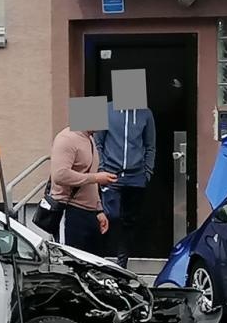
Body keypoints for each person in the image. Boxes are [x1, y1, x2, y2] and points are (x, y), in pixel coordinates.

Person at [99, 102, 156, 264]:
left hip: (136, 177)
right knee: (111, 216)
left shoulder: (145, 113)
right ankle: (103, 260)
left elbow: (150, 146)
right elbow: (98, 143)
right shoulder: (105, 109)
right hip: (110, 175)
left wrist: (147, 173)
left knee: (129, 222)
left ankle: (121, 264)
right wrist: (101, 169)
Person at [48, 123, 115, 256]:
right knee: (72, 263)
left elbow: (90, 178)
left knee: (93, 264)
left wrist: (99, 210)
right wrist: (95, 177)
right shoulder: (66, 138)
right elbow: (60, 175)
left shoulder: (89, 139)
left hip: (90, 214)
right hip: (69, 211)